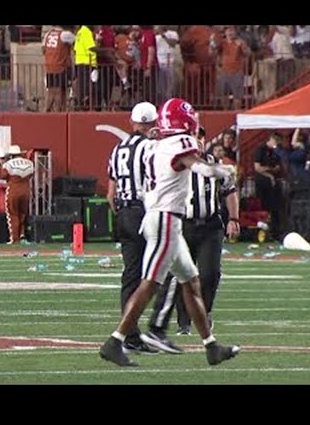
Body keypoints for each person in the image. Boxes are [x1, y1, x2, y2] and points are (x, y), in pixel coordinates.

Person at [99, 97, 240, 367]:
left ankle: (211, 346)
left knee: (191, 281)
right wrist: (223, 171)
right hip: (165, 219)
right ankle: (115, 341)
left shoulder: (158, 144)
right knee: (151, 282)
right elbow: (196, 165)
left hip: (163, 219)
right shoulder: (179, 143)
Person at [145, 125, 240, 340]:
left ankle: (203, 314)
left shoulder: (213, 163)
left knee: (210, 274)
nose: (195, 141)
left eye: (199, 137)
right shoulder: (176, 161)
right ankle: (183, 322)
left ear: (205, 140)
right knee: (179, 275)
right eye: (192, 136)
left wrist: (233, 218)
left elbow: (230, 191)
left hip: (210, 224)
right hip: (183, 223)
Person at [106, 102, 161, 355]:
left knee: (132, 275)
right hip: (144, 211)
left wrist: (123, 213)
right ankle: (152, 329)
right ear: (152, 124)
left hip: (124, 212)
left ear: (132, 122)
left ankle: (130, 333)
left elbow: (110, 193)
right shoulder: (150, 146)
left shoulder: (118, 148)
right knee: (158, 271)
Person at [0, 144, 34, 244]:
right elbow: (31, 174)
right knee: (23, 214)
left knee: (12, 214)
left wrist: (1, 163)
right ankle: (22, 235)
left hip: (13, 190)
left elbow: (1, 176)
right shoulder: (29, 163)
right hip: (26, 190)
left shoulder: (8, 164)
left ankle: (14, 238)